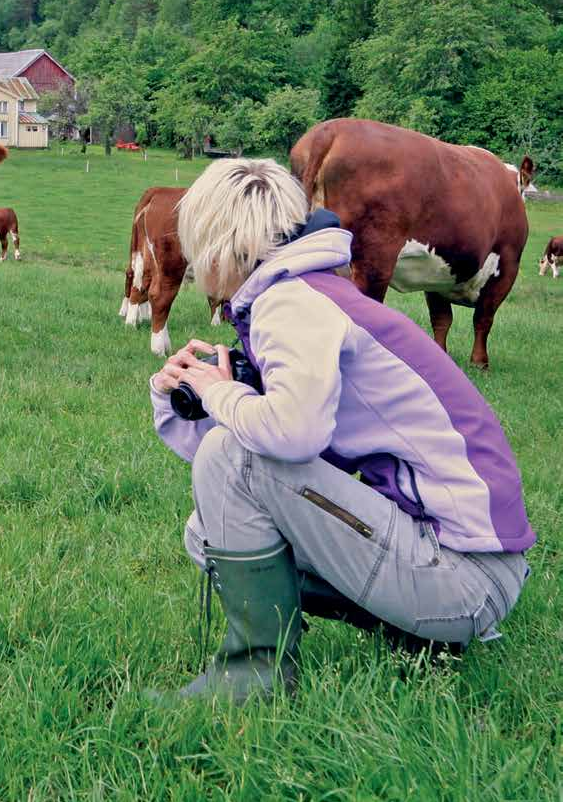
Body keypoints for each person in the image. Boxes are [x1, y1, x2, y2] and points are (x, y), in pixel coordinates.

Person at [149, 158, 534, 703]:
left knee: (233, 455)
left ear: (218, 241)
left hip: (465, 577)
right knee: (207, 533)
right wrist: (185, 392)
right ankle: (419, 635)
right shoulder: (313, 294)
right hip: (472, 570)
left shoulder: (291, 304)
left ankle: (254, 676)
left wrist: (219, 393)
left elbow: (282, 439)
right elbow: (250, 484)